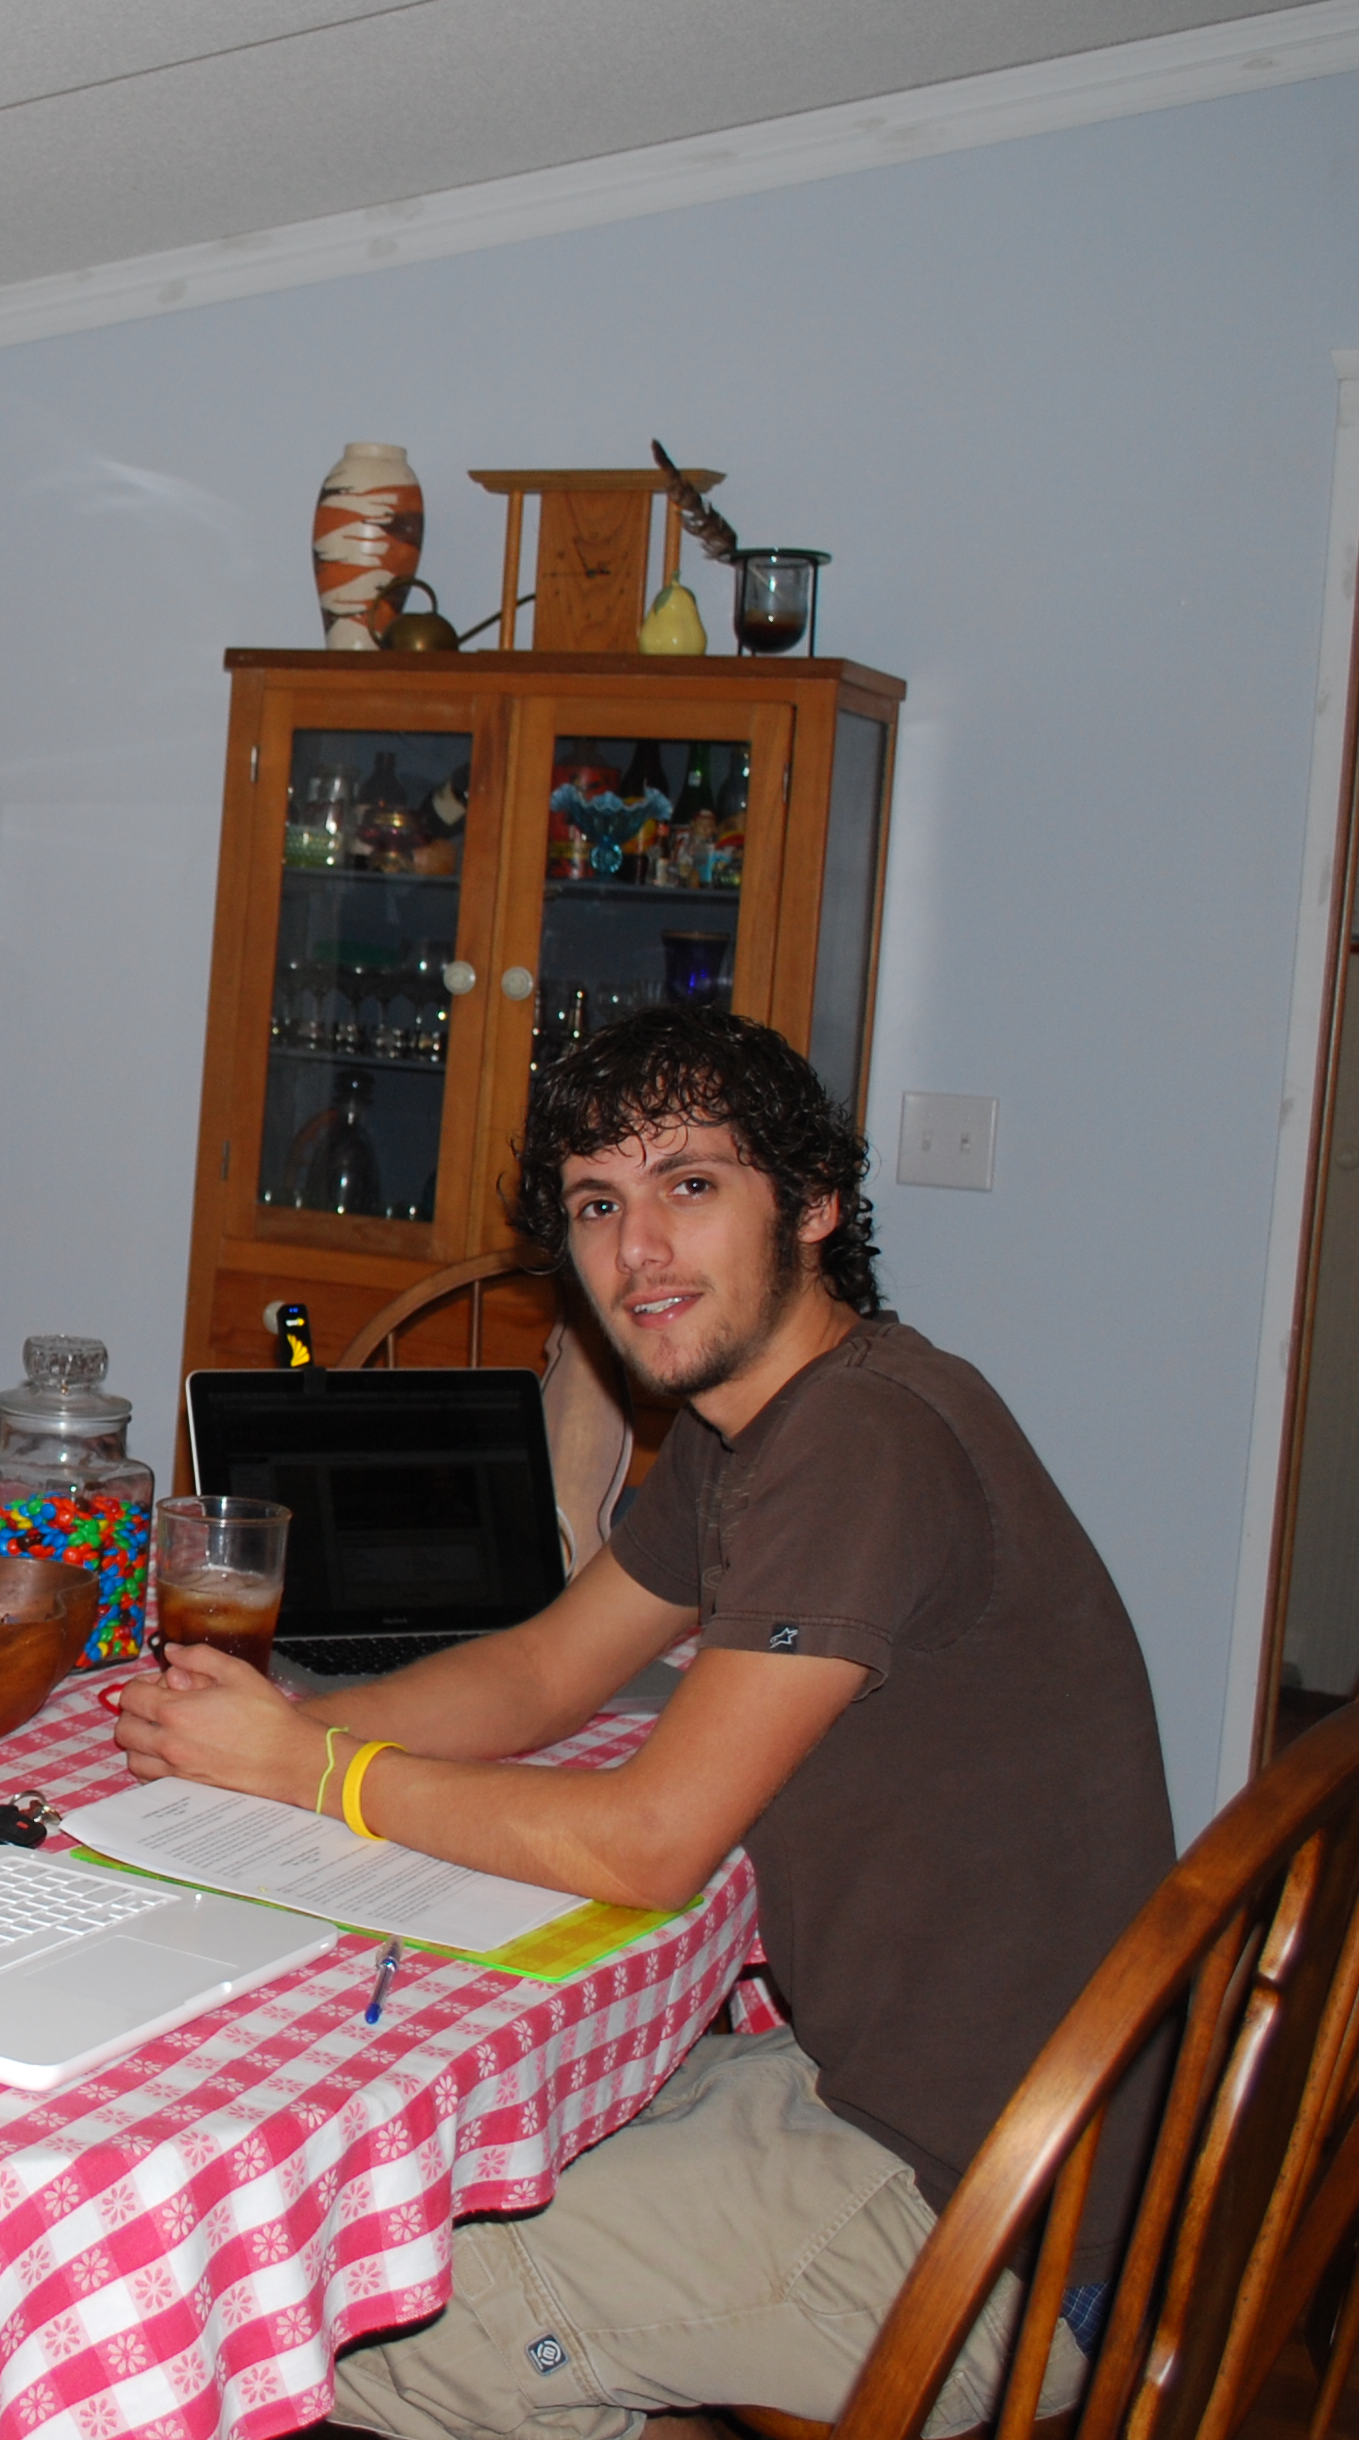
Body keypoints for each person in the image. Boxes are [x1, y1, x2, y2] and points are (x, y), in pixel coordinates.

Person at [117, 1005, 1172, 2438]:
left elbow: (651, 1842)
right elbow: (547, 1671)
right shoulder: (771, 1422)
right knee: (435, 2170)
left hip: (988, 2230)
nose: (637, 1254)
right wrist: (277, 1730)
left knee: (316, 2316)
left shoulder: (858, 1446)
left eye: (690, 1187)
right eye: (597, 1206)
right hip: (939, 2102)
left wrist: (321, 1771)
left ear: (811, 1207)